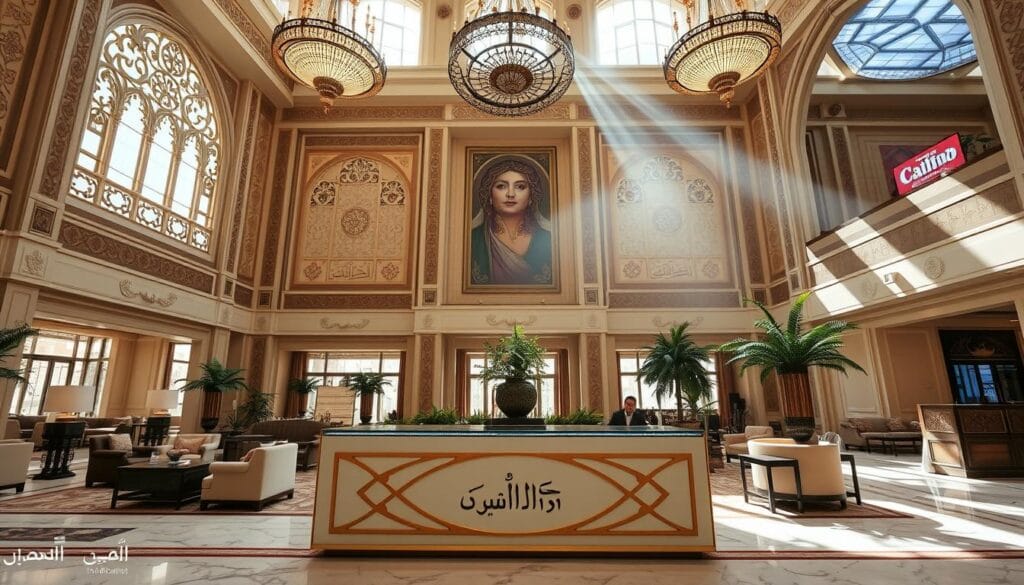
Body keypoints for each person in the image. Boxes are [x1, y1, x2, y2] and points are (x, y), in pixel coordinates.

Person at [469, 157, 553, 285]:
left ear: (531, 196)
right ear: (490, 195)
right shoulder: (473, 239)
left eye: (520, 186)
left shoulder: (550, 239)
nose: (510, 194)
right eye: (501, 186)